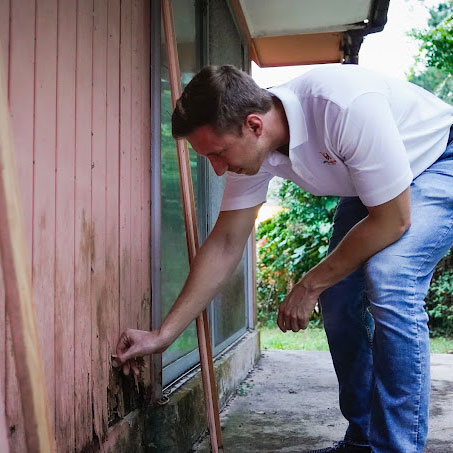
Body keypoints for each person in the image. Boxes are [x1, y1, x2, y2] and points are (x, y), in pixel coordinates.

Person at [114, 65, 453, 453]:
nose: (219, 168)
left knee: (390, 278)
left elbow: (393, 220)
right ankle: (362, 440)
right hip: (378, 186)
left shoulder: (343, 107)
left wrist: (308, 285)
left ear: (254, 125)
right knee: (339, 294)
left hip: (439, 160)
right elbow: (226, 243)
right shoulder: (250, 143)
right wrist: (163, 335)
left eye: (219, 153)